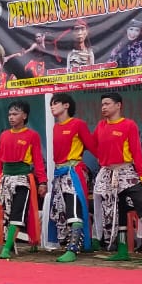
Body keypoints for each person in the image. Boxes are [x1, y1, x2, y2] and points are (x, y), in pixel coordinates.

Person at [93, 91, 142, 263]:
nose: (104, 107)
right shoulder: (101, 126)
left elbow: (137, 152)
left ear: (118, 105)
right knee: (118, 211)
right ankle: (122, 250)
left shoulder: (129, 125)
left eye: (107, 103)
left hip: (126, 172)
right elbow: (94, 146)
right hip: (108, 174)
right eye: (102, 104)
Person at [0, 101, 47, 259]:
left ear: (24, 116)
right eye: (9, 114)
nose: (11, 117)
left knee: (18, 212)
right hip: (6, 179)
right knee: (8, 214)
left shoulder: (32, 135)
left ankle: (7, 248)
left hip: (22, 179)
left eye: (15, 114)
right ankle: (22, 242)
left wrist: (42, 181)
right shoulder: (4, 135)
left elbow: (37, 160)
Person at [47, 92, 95, 263]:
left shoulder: (78, 124)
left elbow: (92, 146)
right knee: (62, 211)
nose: (52, 106)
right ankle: (69, 244)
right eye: (51, 103)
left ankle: (73, 248)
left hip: (73, 172)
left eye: (56, 103)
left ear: (66, 105)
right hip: (59, 174)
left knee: (73, 208)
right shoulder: (55, 127)